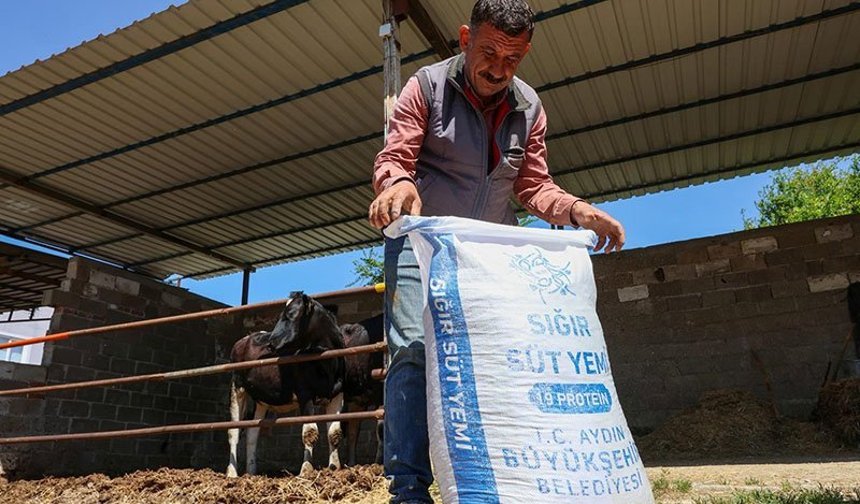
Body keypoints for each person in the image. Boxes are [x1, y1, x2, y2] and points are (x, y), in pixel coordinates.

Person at [367, 1, 625, 502]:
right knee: (413, 351)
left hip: (488, 252)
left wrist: (576, 211)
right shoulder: (427, 87)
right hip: (421, 243)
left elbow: (533, 185)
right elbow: (395, 157)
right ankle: (409, 489)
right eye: (489, 53)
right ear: (466, 39)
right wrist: (398, 184)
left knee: (500, 355)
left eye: (513, 59)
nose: (499, 70)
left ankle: (502, 480)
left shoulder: (529, 108)